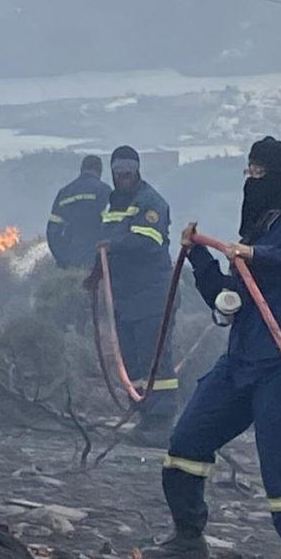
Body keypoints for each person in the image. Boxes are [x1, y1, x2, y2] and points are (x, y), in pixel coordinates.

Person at [142, 137, 281, 559]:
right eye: (247, 173)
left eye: (258, 173)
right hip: (240, 360)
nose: (250, 181)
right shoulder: (256, 233)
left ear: (279, 177)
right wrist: (198, 259)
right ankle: (188, 540)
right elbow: (227, 302)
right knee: (185, 445)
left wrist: (255, 254)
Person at [88, 146, 179, 448]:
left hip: (154, 294)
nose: (123, 176)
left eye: (128, 171)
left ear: (137, 170)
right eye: (118, 172)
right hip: (126, 297)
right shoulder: (113, 204)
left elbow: (149, 241)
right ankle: (144, 416)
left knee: (154, 360)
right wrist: (96, 274)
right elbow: (104, 241)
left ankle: (161, 422)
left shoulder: (150, 202)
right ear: (112, 173)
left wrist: (115, 246)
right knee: (132, 362)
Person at [46, 155, 112, 269]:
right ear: (99, 171)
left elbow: (52, 232)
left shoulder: (63, 193)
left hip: (71, 260)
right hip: (96, 260)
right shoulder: (103, 190)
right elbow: (110, 225)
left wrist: (62, 260)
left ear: (81, 169)